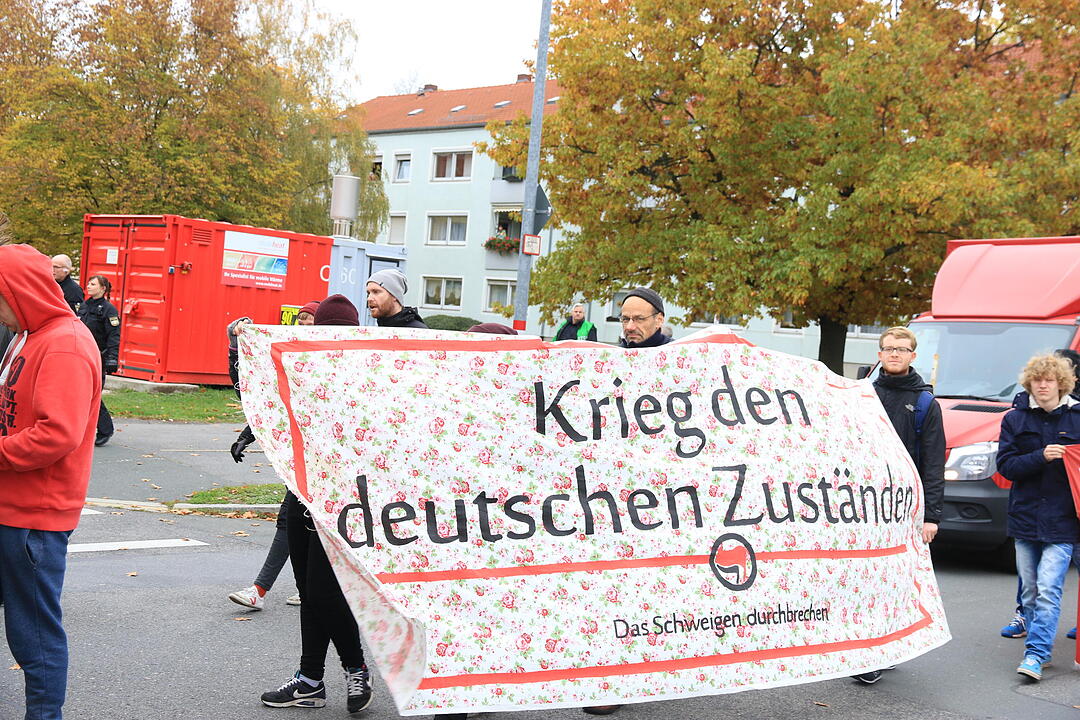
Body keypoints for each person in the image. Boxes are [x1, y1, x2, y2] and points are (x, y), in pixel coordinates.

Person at [262, 295, 380, 713]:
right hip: (300, 494)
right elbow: (261, 397)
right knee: (310, 594)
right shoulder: (302, 367)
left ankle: (355, 669)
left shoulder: (366, 375)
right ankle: (310, 679)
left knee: (327, 594)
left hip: (344, 501)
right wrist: (236, 347)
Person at [0, 243, 102, 719]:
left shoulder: (64, 342)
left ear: (19, 292)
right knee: (30, 630)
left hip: (33, 520)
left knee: (35, 634)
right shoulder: (29, 334)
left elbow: (57, 433)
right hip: (11, 509)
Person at [851, 326, 945, 684]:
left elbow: (933, 462)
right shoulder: (861, 395)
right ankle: (872, 650)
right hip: (863, 505)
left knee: (895, 580)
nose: (894, 354)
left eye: (901, 349)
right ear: (878, 354)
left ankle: (882, 648)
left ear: (912, 356)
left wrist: (931, 516)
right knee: (865, 578)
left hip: (905, 508)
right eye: (888, 348)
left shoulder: (924, 403)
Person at [227, 303, 318, 610]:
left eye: (310, 320)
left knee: (309, 525)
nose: (304, 325)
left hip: (331, 462)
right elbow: (262, 398)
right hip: (302, 460)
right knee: (294, 522)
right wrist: (246, 436)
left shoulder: (326, 361)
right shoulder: (290, 358)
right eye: (301, 319)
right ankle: (269, 589)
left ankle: (275, 588)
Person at [996, 353, 1080, 681]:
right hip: (1025, 518)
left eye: (1049, 380)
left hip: (1063, 522)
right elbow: (1006, 466)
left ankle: (1037, 653)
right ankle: (1036, 641)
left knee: (1048, 588)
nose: (1042, 385)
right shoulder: (1014, 420)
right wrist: (1040, 456)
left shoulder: (1077, 418)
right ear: (1029, 382)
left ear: (1062, 383)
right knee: (1029, 591)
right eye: (1037, 380)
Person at [76, 275, 120, 447]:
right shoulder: (84, 306)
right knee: (80, 393)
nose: (89, 286)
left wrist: (111, 358)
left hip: (98, 357)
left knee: (92, 394)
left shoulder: (108, 309)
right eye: (88, 283)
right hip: (82, 354)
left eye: (93, 284)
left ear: (103, 289)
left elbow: (113, 336)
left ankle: (105, 429)